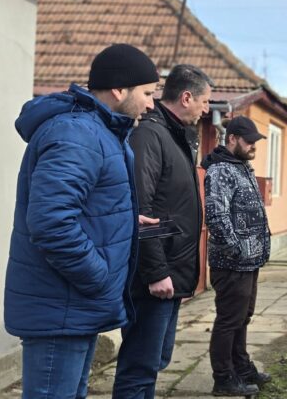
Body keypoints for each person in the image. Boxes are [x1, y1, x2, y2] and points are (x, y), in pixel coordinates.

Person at [4, 44, 159, 398]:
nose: (151, 104)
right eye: (148, 93)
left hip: (76, 305)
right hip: (63, 307)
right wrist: (100, 278)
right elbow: (51, 223)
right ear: (120, 90)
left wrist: (122, 220)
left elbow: (79, 206)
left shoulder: (101, 131)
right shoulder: (78, 134)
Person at [113, 64, 213, 397]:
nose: (207, 109)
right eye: (204, 101)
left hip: (171, 275)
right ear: (187, 97)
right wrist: (155, 272)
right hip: (153, 279)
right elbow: (141, 208)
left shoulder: (175, 136)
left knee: (157, 361)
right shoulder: (150, 136)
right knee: (139, 368)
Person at [202, 116, 272, 396]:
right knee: (229, 319)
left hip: (249, 261)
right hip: (231, 263)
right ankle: (223, 378)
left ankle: (241, 367)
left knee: (243, 317)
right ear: (231, 139)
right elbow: (217, 215)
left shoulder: (242, 167)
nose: (254, 146)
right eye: (249, 141)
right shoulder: (220, 171)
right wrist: (236, 250)